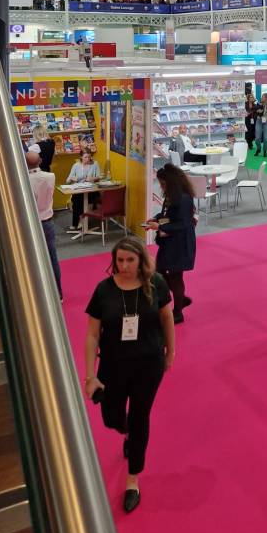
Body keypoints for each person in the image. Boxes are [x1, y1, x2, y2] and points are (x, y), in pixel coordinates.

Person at [84, 237, 175, 514]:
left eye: (130, 260)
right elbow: (92, 334)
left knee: (139, 417)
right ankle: (126, 431)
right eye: (120, 260)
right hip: (113, 365)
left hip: (148, 364)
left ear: (140, 260)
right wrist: (90, 375)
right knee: (111, 416)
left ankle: (133, 479)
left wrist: (170, 352)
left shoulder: (156, 283)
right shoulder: (104, 290)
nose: (124, 266)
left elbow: (166, 317)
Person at [147, 164, 197, 325]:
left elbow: (182, 223)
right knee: (159, 271)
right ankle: (180, 298)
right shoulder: (172, 195)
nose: (161, 186)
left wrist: (159, 226)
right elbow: (168, 215)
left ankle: (178, 312)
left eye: (163, 183)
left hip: (180, 243)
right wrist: (156, 219)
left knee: (175, 276)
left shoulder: (183, 198)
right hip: (170, 241)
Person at [26, 150, 62, 300]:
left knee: (30, 258)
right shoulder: (50, 176)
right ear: (40, 161)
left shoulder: (24, 180)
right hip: (47, 221)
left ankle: (36, 294)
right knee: (52, 257)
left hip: (31, 223)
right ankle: (58, 293)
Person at [66, 150, 101, 232]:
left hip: (91, 190)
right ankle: (77, 222)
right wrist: (72, 179)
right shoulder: (76, 166)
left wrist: (93, 178)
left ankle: (81, 221)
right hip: (79, 189)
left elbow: (99, 177)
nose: (88, 159)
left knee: (80, 199)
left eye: (89, 157)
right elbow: (67, 181)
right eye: (85, 157)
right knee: (76, 199)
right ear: (81, 157)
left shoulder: (95, 164)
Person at [254, 92, 267, 157]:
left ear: (266, 98)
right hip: (259, 121)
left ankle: (265, 150)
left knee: (266, 138)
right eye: (262, 97)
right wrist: (259, 111)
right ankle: (259, 149)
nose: (262, 98)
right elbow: (256, 111)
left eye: (263, 97)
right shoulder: (259, 104)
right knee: (257, 138)